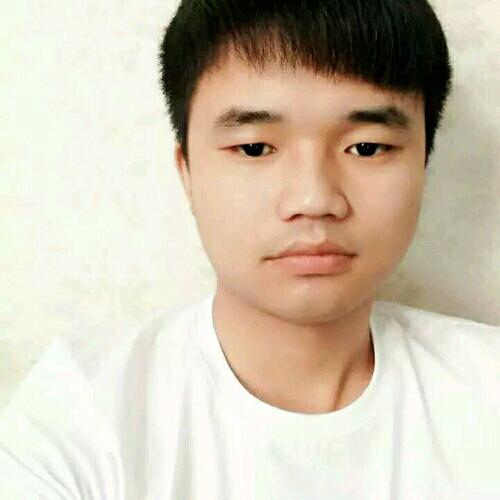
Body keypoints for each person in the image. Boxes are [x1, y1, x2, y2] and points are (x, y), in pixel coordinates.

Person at [1, 0, 499, 498]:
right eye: (255, 148)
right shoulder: (83, 420)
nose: (314, 199)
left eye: (366, 148)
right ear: (187, 171)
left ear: (423, 165)